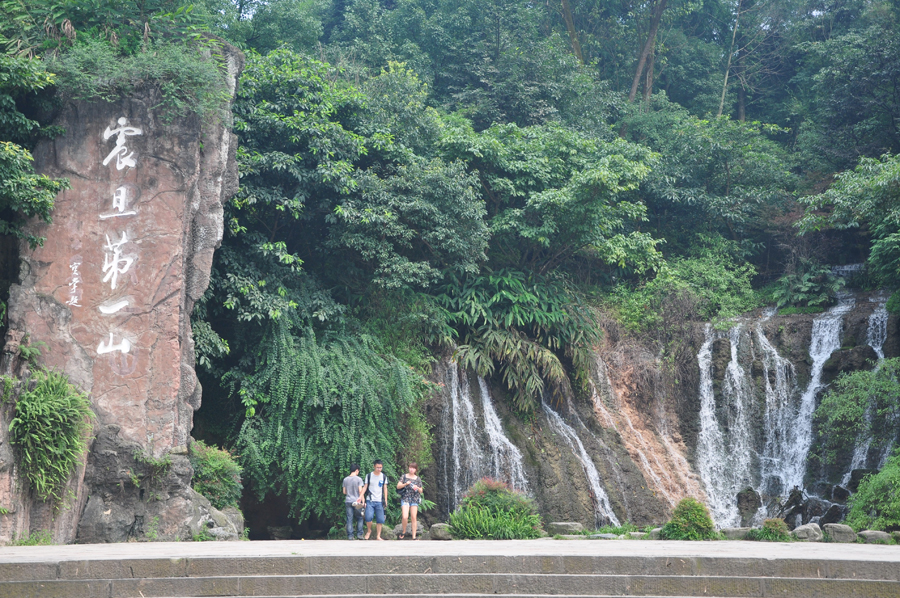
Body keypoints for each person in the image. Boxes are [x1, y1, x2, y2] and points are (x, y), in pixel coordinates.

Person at [360, 460, 388, 540]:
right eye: (377, 467)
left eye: (380, 467)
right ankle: (369, 530)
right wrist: (360, 496)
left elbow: (385, 488)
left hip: (379, 501)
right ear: (374, 467)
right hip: (370, 500)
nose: (379, 469)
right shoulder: (369, 476)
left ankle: (378, 536)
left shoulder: (383, 476)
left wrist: (385, 500)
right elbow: (365, 487)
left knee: (380, 519)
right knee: (368, 517)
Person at [396, 462, 424, 540]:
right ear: (408, 468)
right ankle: (404, 531)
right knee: (405, 516)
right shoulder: (404, 476)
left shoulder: (418, 478)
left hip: (414, 498)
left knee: (413, 517)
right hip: (405, 498)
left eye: (413, 468)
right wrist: (405, 484)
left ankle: (414, 536)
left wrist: (417, 488)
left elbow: (421, 490)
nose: (411, 469)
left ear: (416, 469)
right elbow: (398, 486)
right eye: (410, 467)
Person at [342, 463, 365, 540]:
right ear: (357, 470)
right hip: (357, 501)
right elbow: (360, 491)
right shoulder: (359, 479)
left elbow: (344, 492)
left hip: (348, 501)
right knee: (360, 518)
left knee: (349, 518)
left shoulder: (345, 479)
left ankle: (350, 536)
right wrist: (363, 501)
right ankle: (359, 534)